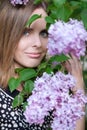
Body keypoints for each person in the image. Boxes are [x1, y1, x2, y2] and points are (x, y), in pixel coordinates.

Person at [0, 0, 85, 130]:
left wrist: (78, 85)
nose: (38, 43)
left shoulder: (47, 89)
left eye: (44, 33)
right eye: (26, 32)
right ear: (7, 34)